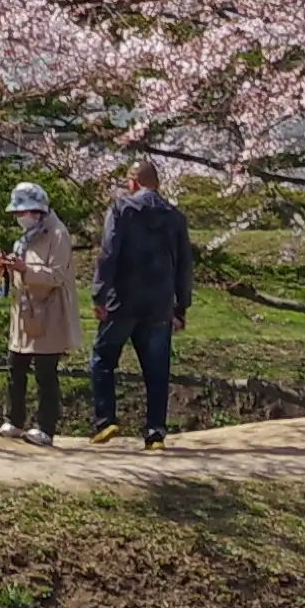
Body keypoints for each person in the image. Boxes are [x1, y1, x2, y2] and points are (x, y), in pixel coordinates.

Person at [88, 156, 194, 445]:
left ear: (132, 182)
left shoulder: (121, 209)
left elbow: (109, 253)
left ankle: (106, 421)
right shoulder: (175, 217)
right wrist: (181, 306)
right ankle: (155, 433)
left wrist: (99, 294)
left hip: (122, 300)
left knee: (103, 359)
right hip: (159, 304)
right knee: (157, 371)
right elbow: (185, 265)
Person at [0, 181, 81, 441]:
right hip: (24, 311)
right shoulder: (25, 239)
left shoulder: (57, 234)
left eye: (23, 213)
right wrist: (3, 268)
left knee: (45, 373)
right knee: (15, 366)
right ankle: (13, 421)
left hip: (50, 311)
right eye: (17, 214)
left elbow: (57, 275)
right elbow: (20, 269)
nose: (20, 218)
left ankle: (45, 429)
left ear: (37, 211)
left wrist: (23, 269)